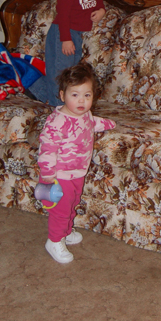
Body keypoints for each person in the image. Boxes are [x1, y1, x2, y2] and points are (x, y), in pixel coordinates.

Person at [38, 62, 115, 264]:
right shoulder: (56, 122)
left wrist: (108, 123)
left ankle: (65, 231)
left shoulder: (85, 115)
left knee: (72, 204)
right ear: (62, 95)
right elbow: (47, 149)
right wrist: (47, 175)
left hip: (78, 172)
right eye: (75, 95)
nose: (81, 100)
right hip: (59, 175)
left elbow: (92, 123)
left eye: (87, 95)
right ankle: (54, 240)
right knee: (61, 209)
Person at [32, 0, 106, 106]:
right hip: (62, 33)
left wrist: (101, 11)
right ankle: (56, 107)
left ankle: (43, 93)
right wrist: (66, 39)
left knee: (72, 72)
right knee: (60, 73)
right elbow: (63, 16)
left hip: (77, 35)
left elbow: (97, 0)